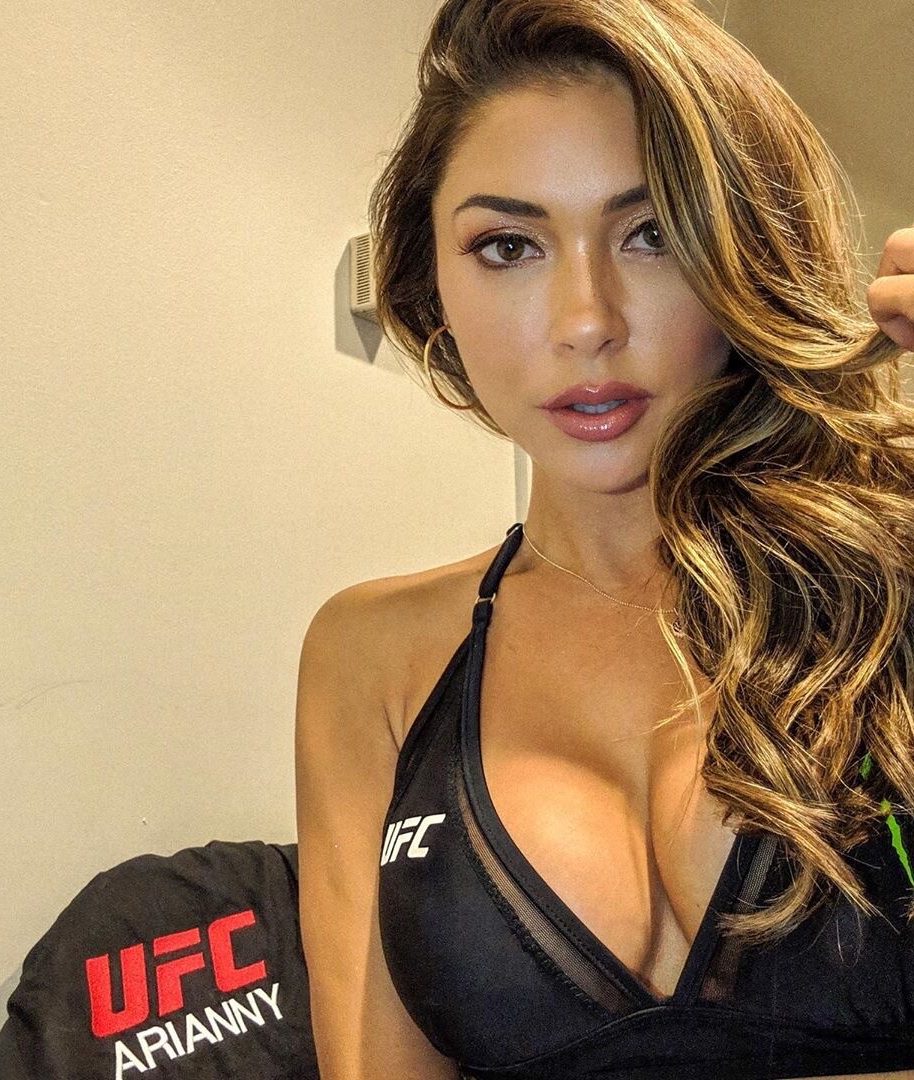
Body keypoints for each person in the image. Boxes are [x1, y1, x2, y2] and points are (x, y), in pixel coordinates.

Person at [294, 1, 914, 1077]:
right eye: (509, 246)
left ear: (745, 258)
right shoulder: (372, 659)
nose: (586, 320)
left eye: (652, 233)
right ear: (431, 284)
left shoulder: (889, 584)